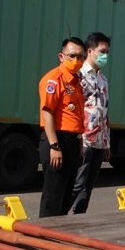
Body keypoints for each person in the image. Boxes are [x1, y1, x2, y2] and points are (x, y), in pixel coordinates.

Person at [38, 37, 87, 217]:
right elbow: (47, 113)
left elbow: (75, 117)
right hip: (57, 140)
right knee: (53, 195)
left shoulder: (75, 82)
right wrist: (54, 146)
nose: (76, 61)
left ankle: (60, 235)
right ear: (61, 56)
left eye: (80, 57)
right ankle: (44, 237)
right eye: (72, 56)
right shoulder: (54, 79)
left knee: (66, 195)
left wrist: (79, 144)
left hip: (72, 142)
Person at [68, 32, 111, 214]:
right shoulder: (78, 76)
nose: (105, 56)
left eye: (108, 52)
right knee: (77, 184)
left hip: (100, 141)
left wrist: (107, 143)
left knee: (88, 187)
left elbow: (104, 111)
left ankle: (79, 219)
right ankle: (59, 218)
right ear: (90, 51)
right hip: (84, 139)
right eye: (102, 51)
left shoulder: (103, 79)